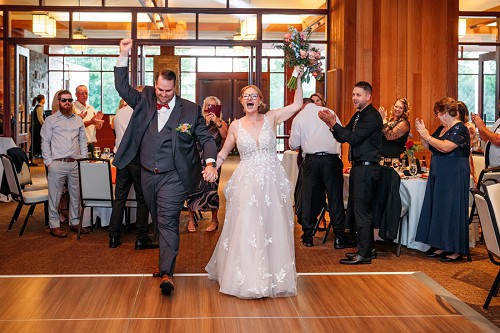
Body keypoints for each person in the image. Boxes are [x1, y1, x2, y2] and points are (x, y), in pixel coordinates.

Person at [114, 38, 218, 296]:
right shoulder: (145, 100)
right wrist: (123, 54)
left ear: (175, 88)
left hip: (174, 177)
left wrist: (210, 162)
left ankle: (168, 273)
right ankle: (164, 263)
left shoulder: (191, 111)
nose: (162, 94)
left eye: (167, 91)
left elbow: (205, 138)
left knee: (168, 220)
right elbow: (120, 85)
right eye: (159, 90)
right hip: (147, 175)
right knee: (158, 220)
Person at [206, 68, 303, 299]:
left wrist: (297, 78)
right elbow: (223, 153)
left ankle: (273, 277)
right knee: (248, 226)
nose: (250, 99)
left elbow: (298, 104)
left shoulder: (272, 118)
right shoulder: (236, 126)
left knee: (273, 226)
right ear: (241, 101)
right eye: (246, 96)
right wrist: (212, 166)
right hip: (247, 181)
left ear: (261, 101)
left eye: (254, 96)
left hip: (272, 180)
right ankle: (249, 277)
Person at [319, 81, 382, 265]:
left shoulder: (371, 116)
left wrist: (333, 123)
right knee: (359, 210)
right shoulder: (358, 116)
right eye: (353, 94)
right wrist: (331, 125)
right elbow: (343, 135)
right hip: (359, 167)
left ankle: (364, 254)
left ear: (368, 96)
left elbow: (353, 138)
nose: (354, 98)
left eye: (358, 95)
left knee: (362, 212)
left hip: (367, 168)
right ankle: (367, 249)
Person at [290, 99, 350, 249]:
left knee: (308, 197)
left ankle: (308, 236)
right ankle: (339, 237)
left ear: (302, 106)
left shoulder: (300, 117)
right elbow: (342, 135)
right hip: (332, 160)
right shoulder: (331, 112)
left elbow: (294, 144)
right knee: (335, 197)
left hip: (312, 161)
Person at [415, 98, 470, 262]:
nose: (437, 117)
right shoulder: (443, 127)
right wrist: (423, 133)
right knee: (438, 207)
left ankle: (455, 249)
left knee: (451, 207)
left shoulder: (460, 128)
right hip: (440, 170)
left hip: (453, 171)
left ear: (446, 113)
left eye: (438, 113)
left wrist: (427, 136)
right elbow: (430, 146)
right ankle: (439, 244)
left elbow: (446, 147)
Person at [108, 86, 154, 250]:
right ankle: (141, 237)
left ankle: (114, 237)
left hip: (121, 159)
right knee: (143, 198)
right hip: (136, 159)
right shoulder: (141, 112)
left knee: (119, 198)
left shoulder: (120, 112)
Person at [41, 90, 88, 238]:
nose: (67, 103)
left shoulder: (78, 120)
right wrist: (49, 162)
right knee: (55, 196)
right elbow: (45, 142)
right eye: (64, 100)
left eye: (69, 100)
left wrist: (83, 159)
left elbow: (82, 141)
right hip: (57, 163)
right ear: (58, 102)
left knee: (76, 195)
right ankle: (54, 225)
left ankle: (74, 222)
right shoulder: (51, 120)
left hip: (74, 162)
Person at [186, 96, 228, 233]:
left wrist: (216, 122)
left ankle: (214, 219)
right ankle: (190, 219)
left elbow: (225, 136)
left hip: (213, 162)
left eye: (214, 106)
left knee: (212, 190)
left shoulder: (221, 123)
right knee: (192, 189)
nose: (211, 108)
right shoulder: (199, 121)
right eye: (208, 105)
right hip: (196, 160)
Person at [73, 85, 104, 154]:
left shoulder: (91, 107)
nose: (84, 95)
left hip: (91, 144)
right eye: (82, 93)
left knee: (92, 164)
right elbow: (75, 126)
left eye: (86, 93)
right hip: (78, 146)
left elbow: (98, 128)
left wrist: (98, 122)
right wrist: (91, 122)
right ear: (76, 94)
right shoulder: (72, 108)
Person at [471, 99, 500, 167]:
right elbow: (487, 139)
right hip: (492, 167)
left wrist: (481, 126)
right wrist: (479, 126)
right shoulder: (498, 121)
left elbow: (498, 140)